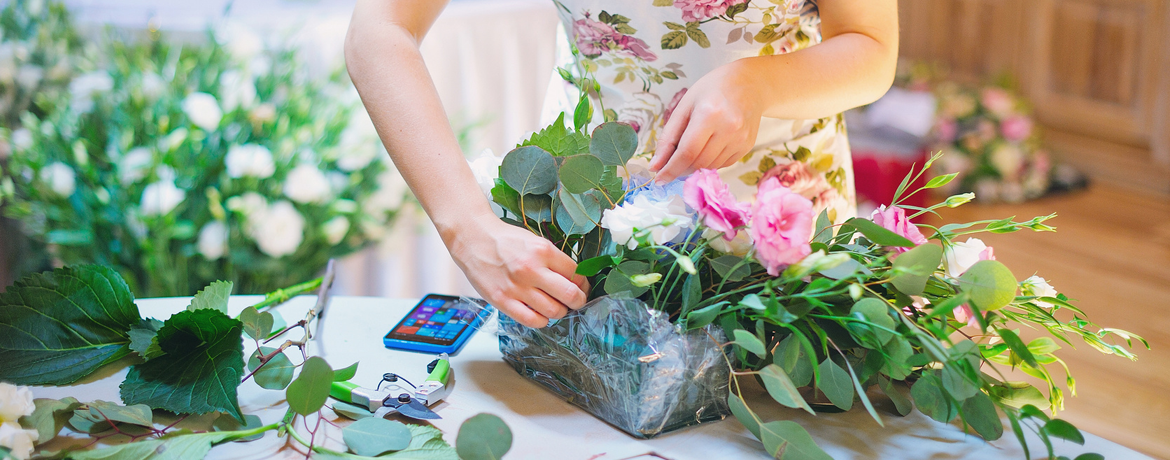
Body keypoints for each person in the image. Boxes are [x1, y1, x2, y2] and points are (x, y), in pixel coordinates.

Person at [344, 0, 898, 328]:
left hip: (779, 228)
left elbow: (870, 45)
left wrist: (757, 82)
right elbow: (380, 29)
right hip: (592, 222)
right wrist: (466, 225)